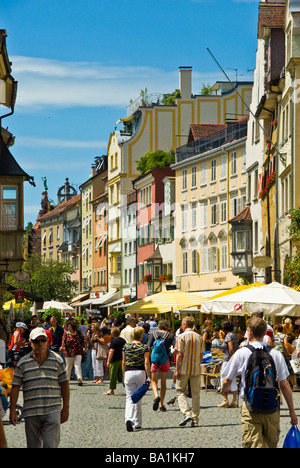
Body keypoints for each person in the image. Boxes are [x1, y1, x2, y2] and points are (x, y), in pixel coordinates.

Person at [221, 317, 298, 448]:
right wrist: (292, 411)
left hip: (251, 407)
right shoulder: (275, 354)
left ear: (249, 332)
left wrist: (224, 390)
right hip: (272, 408)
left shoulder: (242, 353)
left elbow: (227, 379)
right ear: (265, 334)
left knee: (253, 444)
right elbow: (284, 384)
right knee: (271, 444)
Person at [9, 328, 70, 449]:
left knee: (50, 445)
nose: (40, 344)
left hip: (52, 410)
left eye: (43, 340)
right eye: (37, 341)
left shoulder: (57, 360)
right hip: (31, 411)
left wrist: (66, 408)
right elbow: (15, 386)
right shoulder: (23, 363)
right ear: (31, 343)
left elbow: (64, 384)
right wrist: (12, 409)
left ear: (47, 341)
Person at [175, 316, 204, 427]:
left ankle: (186, 413)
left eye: (182, 324)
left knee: (180, 391)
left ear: (184, 324)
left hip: (184, 368)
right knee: (196, 393)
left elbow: (179, 355)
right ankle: (195, 419)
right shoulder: (199, 337)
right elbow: (201, 355)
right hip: (196, 368)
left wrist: (177, 369)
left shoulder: (181, 337)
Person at [122, 326, 150, 432]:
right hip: (140, 372)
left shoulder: (126, 346)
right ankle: (137, 422)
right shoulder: (144, 347)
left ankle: (128, 418)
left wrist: (123, 374)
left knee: (129, 398)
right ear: (142, 336)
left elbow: (123, 362)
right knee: (138, 397)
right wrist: (148, 376)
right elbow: (146, 362)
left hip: (128, 372)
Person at [148, 319, 175, 412]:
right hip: (165, 360)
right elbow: (175, 348)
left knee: (154, 381)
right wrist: (171, 357)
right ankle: (161, 404)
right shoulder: (170, 335)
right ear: (167, 327)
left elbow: (148, 347)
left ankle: (156, 396)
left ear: (159, 326)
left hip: (155, 361)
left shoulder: (154, 334)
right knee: (163, 383)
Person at [218, 320, 239, 408]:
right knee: (232, 379)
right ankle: (235, 400)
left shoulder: (228, 336)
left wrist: (232, 359)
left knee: (224, 378)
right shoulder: (235, 335)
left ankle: (225, 399)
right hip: (233, 359)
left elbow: (230, 348)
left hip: (228, 360)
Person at [61, 319, 85, 386]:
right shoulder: (65, 334)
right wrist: (63, 347)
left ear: (73, 327)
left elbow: (83, 340)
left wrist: (84, 347)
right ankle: (67, 380)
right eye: (67, 326)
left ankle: (79, 378)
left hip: (78, 351)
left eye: (69, 326)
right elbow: (63, 342)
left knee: (77, 365)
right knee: (68, 367)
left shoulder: (78, 333)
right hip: (68, 352)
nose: (68, 328)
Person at [104, 328, 126, 395]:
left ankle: (111, 390)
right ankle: (129, 389)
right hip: (122, 360)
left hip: (114, 360)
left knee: (113, 376)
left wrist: (108, 360)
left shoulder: (113, 341)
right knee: (123, 375)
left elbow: (111, 351)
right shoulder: (123, 340)